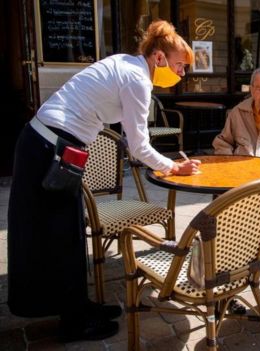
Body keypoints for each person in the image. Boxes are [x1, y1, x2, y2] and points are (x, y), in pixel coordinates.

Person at [7, 20, 200, 342]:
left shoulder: (126, 65)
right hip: (49, 149)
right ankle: (74, 321)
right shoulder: (138, 79)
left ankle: (80, 306)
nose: (182, 75)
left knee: (67, 234)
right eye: (180, 66)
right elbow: (139, 147)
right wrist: (174, 167)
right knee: (57, 236)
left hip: (47, 144)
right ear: (159, 58)